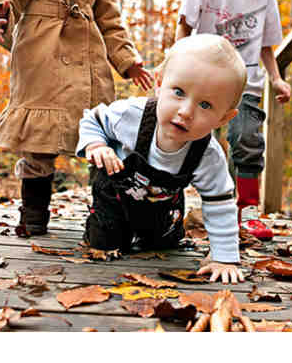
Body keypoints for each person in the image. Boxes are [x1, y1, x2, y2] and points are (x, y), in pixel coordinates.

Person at [0, 0, 153, 236]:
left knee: (101, 138)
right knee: (39, 140)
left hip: (89, 58)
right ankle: (33, 215)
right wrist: (0, 10)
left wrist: (127, 59)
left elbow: (108, 15)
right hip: (42, 54)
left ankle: (106, 215)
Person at [77, 34, 247, 284]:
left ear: (223, 118)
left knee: (165, 243)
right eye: (178, 92)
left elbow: (219, 202)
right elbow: (93, 119)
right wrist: (96, 145)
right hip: (115, 196)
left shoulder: (207, 155)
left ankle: (159, 233)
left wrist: (225, 258)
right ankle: (105, 230)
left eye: (205, 105)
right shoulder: (131, 115)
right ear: (159, 83)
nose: (186, 111)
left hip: (162, 206)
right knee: (106, 243)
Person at [176, 0, 292, 229]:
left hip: (247, 84)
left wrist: (276, 78)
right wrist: (176, 65)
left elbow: (267, 44)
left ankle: (248, 211)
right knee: (192, 141)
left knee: (248, 140)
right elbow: (184, 25)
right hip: (204, 82)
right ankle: (179, 203)